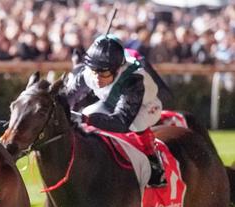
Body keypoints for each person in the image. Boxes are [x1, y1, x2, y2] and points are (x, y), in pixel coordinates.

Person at [65, 34, 166, 187]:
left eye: (104, 73)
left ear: (117, 69)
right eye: (94, 71)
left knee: (136, 125)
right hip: (112, 102)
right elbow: (68, 97)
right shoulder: (91, 72)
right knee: (87, 113)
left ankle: (155, 165)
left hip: (145, 107)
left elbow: (121, 122)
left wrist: (84, 119)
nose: (97, 78)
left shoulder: (134, 80)